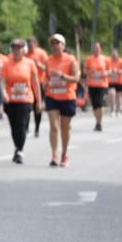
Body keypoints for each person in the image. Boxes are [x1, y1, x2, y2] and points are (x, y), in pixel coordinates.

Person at [0, 39, 42, 164]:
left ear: (24, 50)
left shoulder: (30, 63)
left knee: (22, 124)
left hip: (26, 99)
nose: (16, 51)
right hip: (11, 100)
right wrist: (4, 93)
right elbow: (2, 81)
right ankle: (17, 147)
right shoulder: (6, 64)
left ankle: (19, 151)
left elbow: (35, 83)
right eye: (14, 48)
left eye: (19, 48)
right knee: (14, 127)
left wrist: (39, 101)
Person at [43, 33, 80, 167]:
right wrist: (45, 82)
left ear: (63, 45)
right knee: (53, 126)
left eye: (57, 43)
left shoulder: (71, 60)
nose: (55, 45)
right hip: (52, 96)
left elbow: (76, 78)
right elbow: (46, 76)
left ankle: (64, 154)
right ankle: (54, 155)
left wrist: (63, 76)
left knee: (65, 129)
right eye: (52, 43)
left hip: (67, 97)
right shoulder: (48, 60)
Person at [84, 42, 110, 131]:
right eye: (94, 48)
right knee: (94, 105)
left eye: (97, 48)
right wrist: (90, 72)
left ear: (100, 49)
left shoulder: (106, 59)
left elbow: (110, 71)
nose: (96, 49)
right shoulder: (89, 59)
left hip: (102, 84)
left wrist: (104, 73)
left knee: (100, 103)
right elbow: (85, 71)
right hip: (92, 84)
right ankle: (97, 122)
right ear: (92, 49)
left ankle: (99, 123)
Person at [26, 36, 48, 137]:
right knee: (26, 106)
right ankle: (26, 127)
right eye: (28, 43)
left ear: (36, 43)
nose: (30, 45)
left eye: (32, 43)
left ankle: (37, 129)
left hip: (39, 83)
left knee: (37, 107)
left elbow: (47, 68)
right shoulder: (25, 54)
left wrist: (38, 65)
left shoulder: (42, 53)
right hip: (27, 84)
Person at [107, 48, 122, 117]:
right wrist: (110, 71)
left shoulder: (121, 61)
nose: (114, 56)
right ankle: (112, 110)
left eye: (115, 54)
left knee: (118, 96)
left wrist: (117, 71)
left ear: (117, 54)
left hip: (120, 81)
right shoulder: (108, 61)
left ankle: (118, 111)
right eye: (112, 54)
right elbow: (106, 69)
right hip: (111, 81)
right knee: (111, 94)